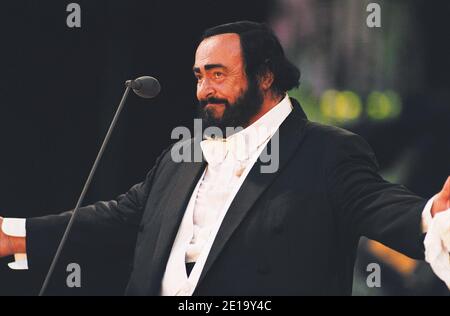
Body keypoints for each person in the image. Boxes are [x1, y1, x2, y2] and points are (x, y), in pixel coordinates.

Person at [0, 21, 449, 295]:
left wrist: (432, 214)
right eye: (199, 76)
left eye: (218, 74)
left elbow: (380, 206)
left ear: (266, 75)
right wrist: (14, 236)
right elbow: (118, 217)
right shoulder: (184, 153)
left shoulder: (328, 151)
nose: (203, 90)